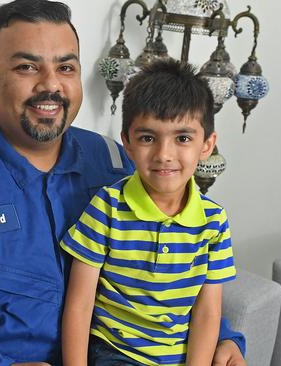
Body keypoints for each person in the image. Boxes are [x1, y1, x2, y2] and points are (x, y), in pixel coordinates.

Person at [0, 1, 247, 365]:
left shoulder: (113, 162)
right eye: (27, 67)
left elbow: (166, 262)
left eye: (65, 67)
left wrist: (223, 338)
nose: (50, 85)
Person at [60, 60, 234, 366]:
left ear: (206, 145)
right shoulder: (107, 207)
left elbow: (208, 312)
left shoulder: (214, 221)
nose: (164, 155)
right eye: (148, 138)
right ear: (127, 142)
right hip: (116, 353)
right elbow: (79, 304)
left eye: (182, 138)